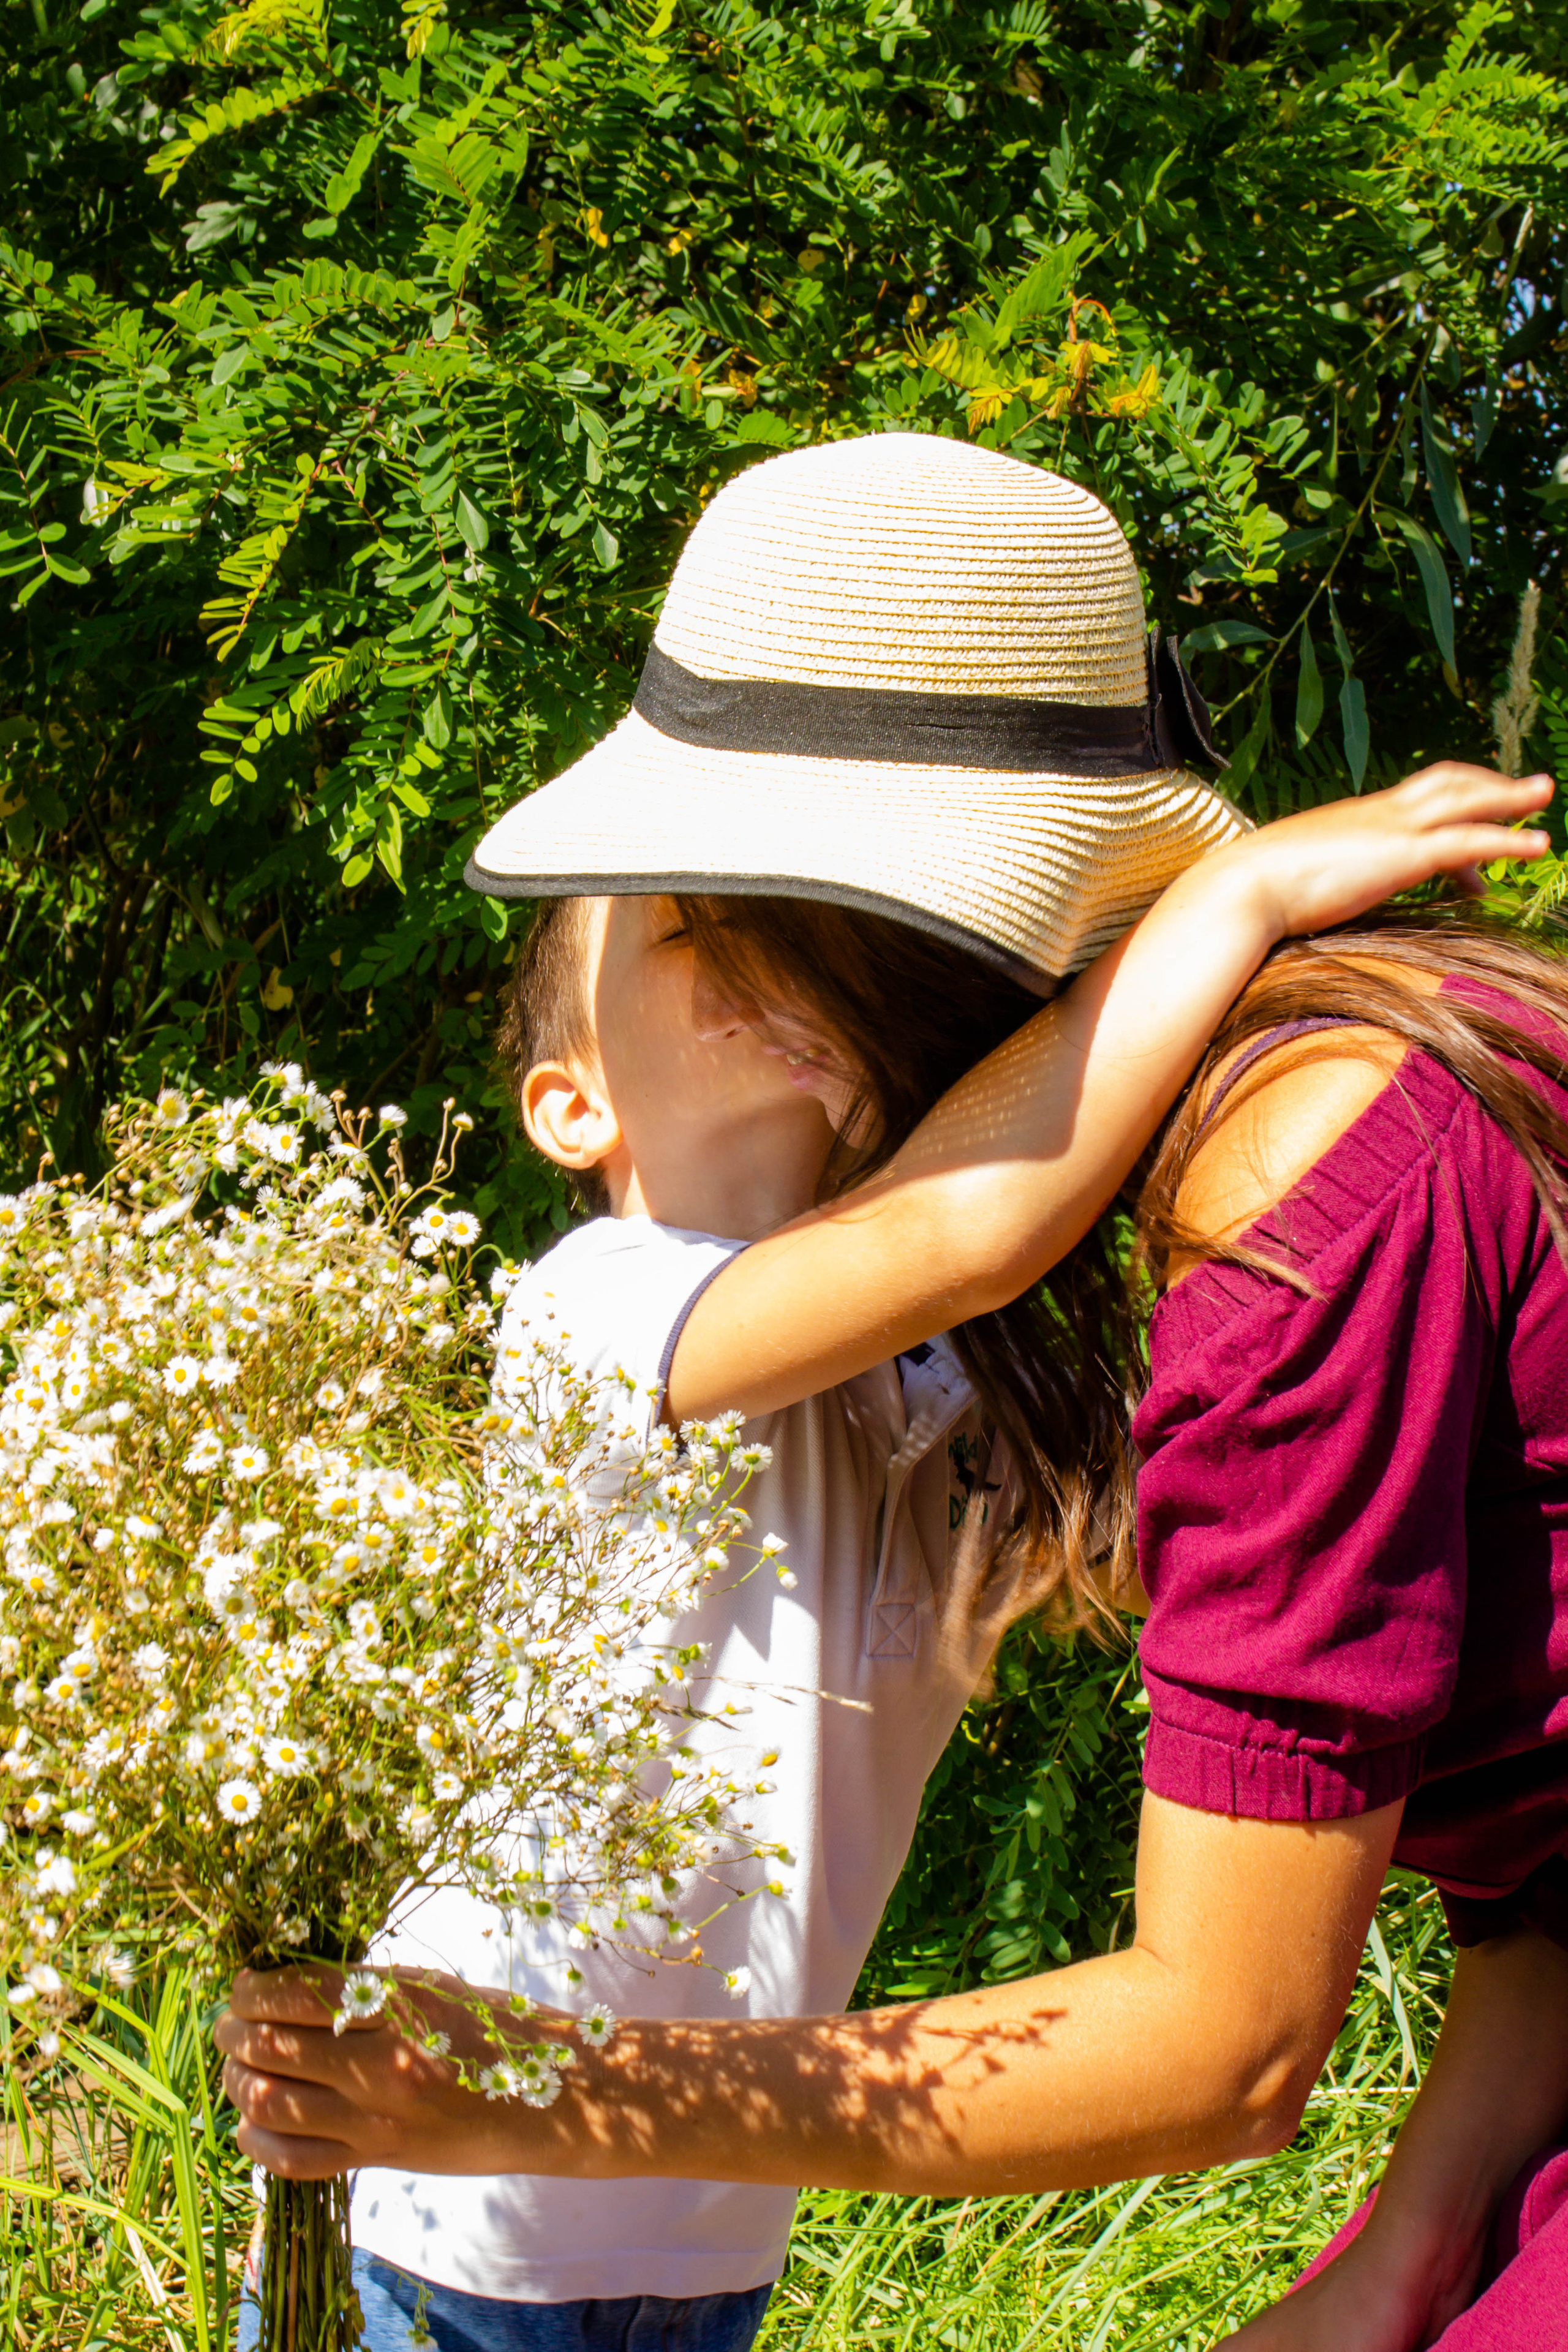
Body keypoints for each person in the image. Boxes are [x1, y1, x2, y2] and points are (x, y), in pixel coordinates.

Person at [218, 434, 1567, 2350]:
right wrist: (1216, 910)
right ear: (568, 1110)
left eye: (710, 899)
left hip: (658, 2196)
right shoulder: (601, 1313)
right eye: (658, 920)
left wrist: (1214, 912)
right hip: (501, 2202)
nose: (684, 935)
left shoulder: (1149, 1256)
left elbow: (975, 1220)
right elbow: (972, 1220)